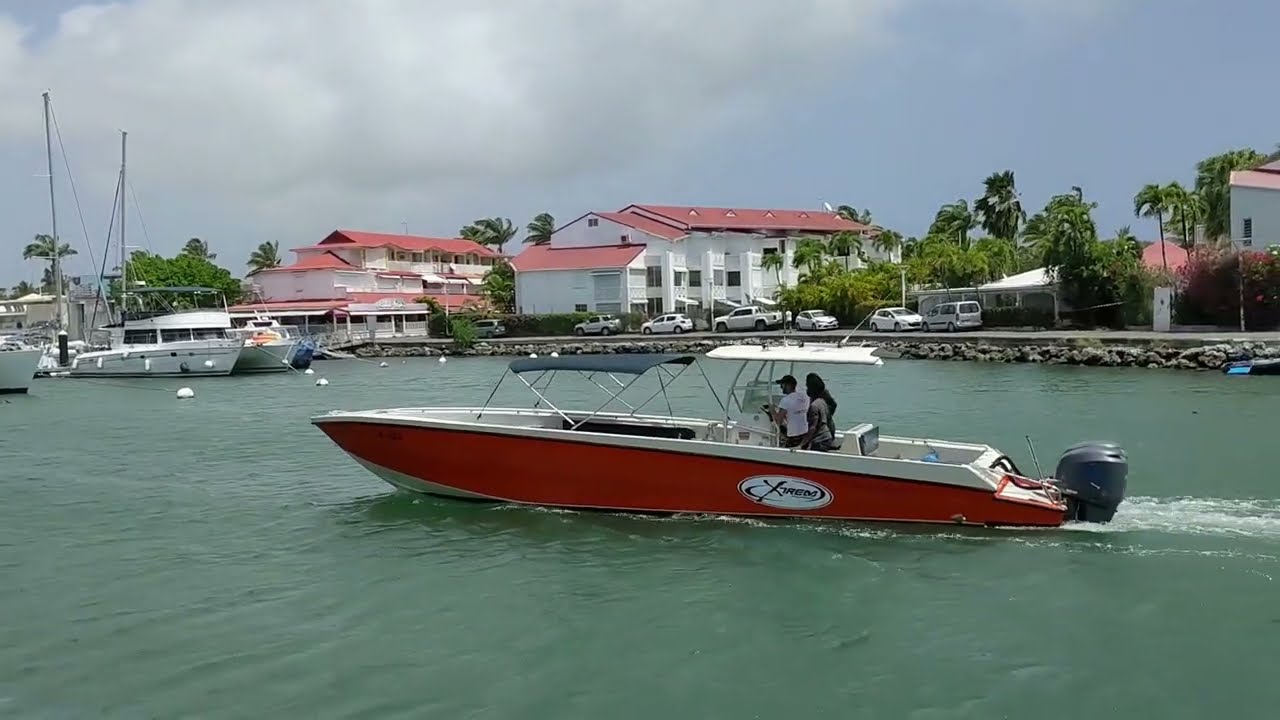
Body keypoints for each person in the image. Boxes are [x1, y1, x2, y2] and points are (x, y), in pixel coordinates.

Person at [772, 374, 810, 448]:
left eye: (782, 385)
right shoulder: (804, 397)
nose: (780, 387)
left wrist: (772, 410)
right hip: (805, 434)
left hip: (793, 436)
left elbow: (778, 422)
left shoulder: (785, 400)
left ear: (788, 385)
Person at [800, 376, 835, 451]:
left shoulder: (814, 406)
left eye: (807, 386)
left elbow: (813, 428)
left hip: (820, 440)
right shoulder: (822, 401)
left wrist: (803, 444)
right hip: (827, 437)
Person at [805, 372, 838, 439]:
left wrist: (824, 416)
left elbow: (834, 404)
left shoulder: (823, 394)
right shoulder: (815, 395)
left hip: (825, 428)